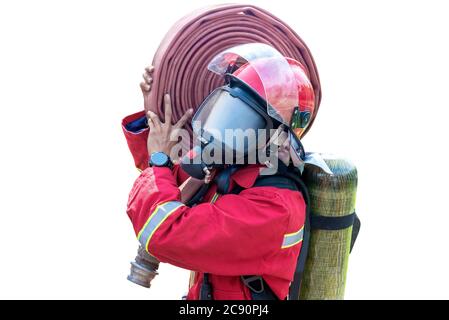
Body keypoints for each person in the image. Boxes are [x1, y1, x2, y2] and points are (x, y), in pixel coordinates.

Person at [122, 44, 316, 300]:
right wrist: (154, 102)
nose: (224, 130)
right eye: (226, 111)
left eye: (242, 121)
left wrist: (160, 161)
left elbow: (161, 231)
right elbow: (167, 184)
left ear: (276, 138)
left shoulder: (273, 207)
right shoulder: (232, 164)